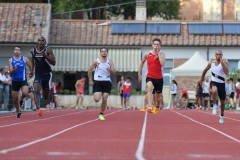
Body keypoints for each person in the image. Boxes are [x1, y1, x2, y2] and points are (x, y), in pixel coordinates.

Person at [200, 50, 229, 124]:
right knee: (214, 90)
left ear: (222, 55)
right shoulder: (211, 63)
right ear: (215, 55)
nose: (218, 56)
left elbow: (227, 73)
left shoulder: (224, 63)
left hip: (222, 84)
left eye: (220, 54)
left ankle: (222, 115)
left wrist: (222, 64)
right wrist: (201, 79)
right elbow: (204, 71)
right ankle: (215, 105)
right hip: (214, 82)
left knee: (222, 103)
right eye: (217, 54)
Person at [138, 38, 165, 114]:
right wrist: (139, 73)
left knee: (158, 98)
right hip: (150, 76)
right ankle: (149, 106)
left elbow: (162, 63)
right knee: (149, 87)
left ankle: (157, 107)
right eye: (155, 44)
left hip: (159, 78)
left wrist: (158, 54)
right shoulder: (147, 54)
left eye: (158, 44)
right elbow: (142, 62)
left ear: (160, 46)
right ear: (152, 45)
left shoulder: (162, 54)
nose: (156, 46)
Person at [31, 36, 56, 117]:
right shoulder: (33, 50)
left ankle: (46, 94)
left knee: (45, 96)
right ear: (37, 42)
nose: (41, 42)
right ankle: (38, 108)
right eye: (39, 40)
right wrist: (31, 71)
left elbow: (54, 62)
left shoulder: (48, 49)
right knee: (36, 90)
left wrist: (45, 56)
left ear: (45, 42)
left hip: (47, 74)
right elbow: (33, 61)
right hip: (38, 73)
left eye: (42, 40)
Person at [88, 47, 115, 121]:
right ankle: (97, 97)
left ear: (107, 52)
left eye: (105, 51)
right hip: (98, 81)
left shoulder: (110, 61)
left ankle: (101, 114)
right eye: (102, 51)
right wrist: (90, 80)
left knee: (104, 98)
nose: (103, 52)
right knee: (97, 99)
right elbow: (89, 69)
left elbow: (114, 72)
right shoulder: (96, 61)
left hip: (107, 81)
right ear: (100, 52)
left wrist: (110, 70)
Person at [8, 46, 32, 118]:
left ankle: (21, 100)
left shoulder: (25, 59)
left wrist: (31, 73)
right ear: (14, 51)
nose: (17, 51)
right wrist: (13, 69)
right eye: (15, 49)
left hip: (23, 80)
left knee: (25, 93)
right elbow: (11, 73)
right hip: (15, 81)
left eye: (18, 50)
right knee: (15, 99)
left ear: (20, 52)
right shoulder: (10, 60)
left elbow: (31, 66)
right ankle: (18, 110)